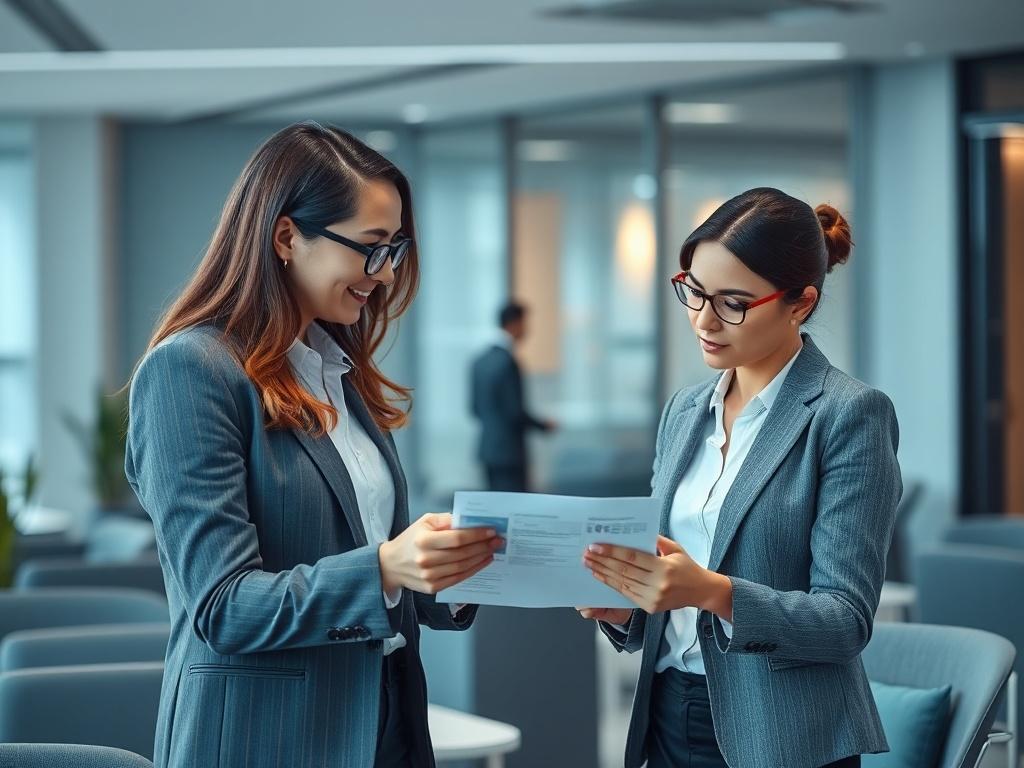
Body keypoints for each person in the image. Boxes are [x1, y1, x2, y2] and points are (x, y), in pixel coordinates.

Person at [125, 121, 502, 768]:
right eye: (370, 247)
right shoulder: (190, 373)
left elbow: (373, 569)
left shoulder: (336, 371)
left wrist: (453, 571)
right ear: (285, 236)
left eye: (394, 251)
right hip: (266, 737)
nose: (383, 275)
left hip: (382, 717)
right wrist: (386, 567)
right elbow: (222, 606)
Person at [578, 187, 901, 768]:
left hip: (780, 735)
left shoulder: (848, 415)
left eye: (733, 302)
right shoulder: (685, 409)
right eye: (694, 292)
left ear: (799, 304)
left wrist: (709, 590)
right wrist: (626, 609)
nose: (704, 319)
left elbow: (844, 622)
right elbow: (671, 591)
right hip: (668, 714)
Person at [470, 301, 555, 491]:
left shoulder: (479, 361)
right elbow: (515, 411)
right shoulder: (508, 362)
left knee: (495, 511)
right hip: (510, 453)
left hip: (488, 450)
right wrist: (544, 425)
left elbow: (474, 409)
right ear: (514, 324)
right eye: (525, 324)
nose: (527, 330)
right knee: (515, 512)